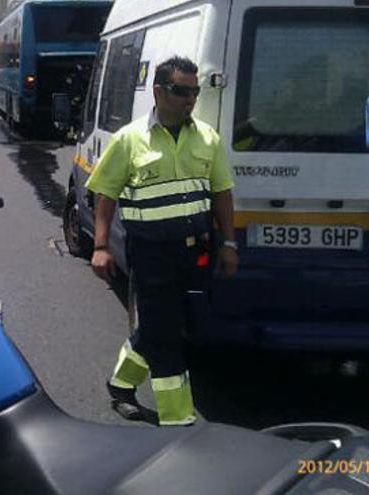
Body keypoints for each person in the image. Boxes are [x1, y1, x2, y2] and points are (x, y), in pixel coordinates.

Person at [86, 56, 239, 426]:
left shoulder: (207, 138)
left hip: (194, 251)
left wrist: (229, 244)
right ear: (158, 91)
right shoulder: (130, 140)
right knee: (166, 335)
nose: (189, 99)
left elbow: (221, 192)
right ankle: (177, 419)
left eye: (194, 91)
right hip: (150, 253)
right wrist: (101, 246)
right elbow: (105, 193)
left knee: (162, 325)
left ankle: (120, 384)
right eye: (180, 90)